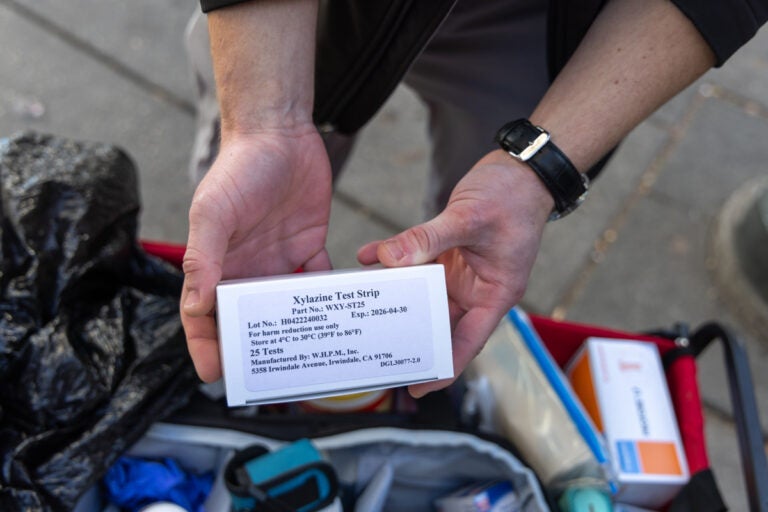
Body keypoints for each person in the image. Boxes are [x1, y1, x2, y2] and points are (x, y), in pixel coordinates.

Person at [180, 0, 767, 398]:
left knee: (472, 228)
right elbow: (260, 117)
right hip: (296, 15)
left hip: (555, 25)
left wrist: (536, 172)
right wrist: (262, 120)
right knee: (249, 179)